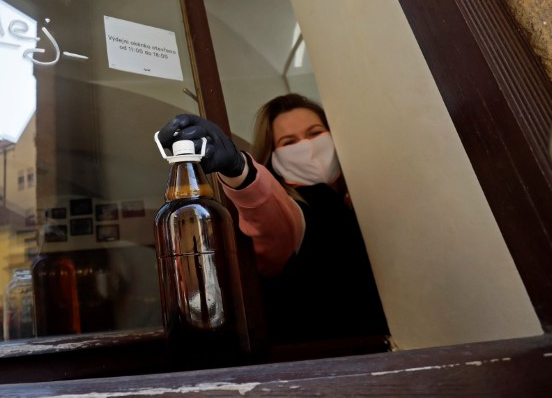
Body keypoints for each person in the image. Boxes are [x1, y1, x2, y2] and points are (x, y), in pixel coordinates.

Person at [157, 93, 389, 344]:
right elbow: (270, 216)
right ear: (273, 155)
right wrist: (239, 170)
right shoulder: (298, 204)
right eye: (289, 142)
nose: (307, 147)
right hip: (321, 353)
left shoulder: (365, 193)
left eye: (315, 133)